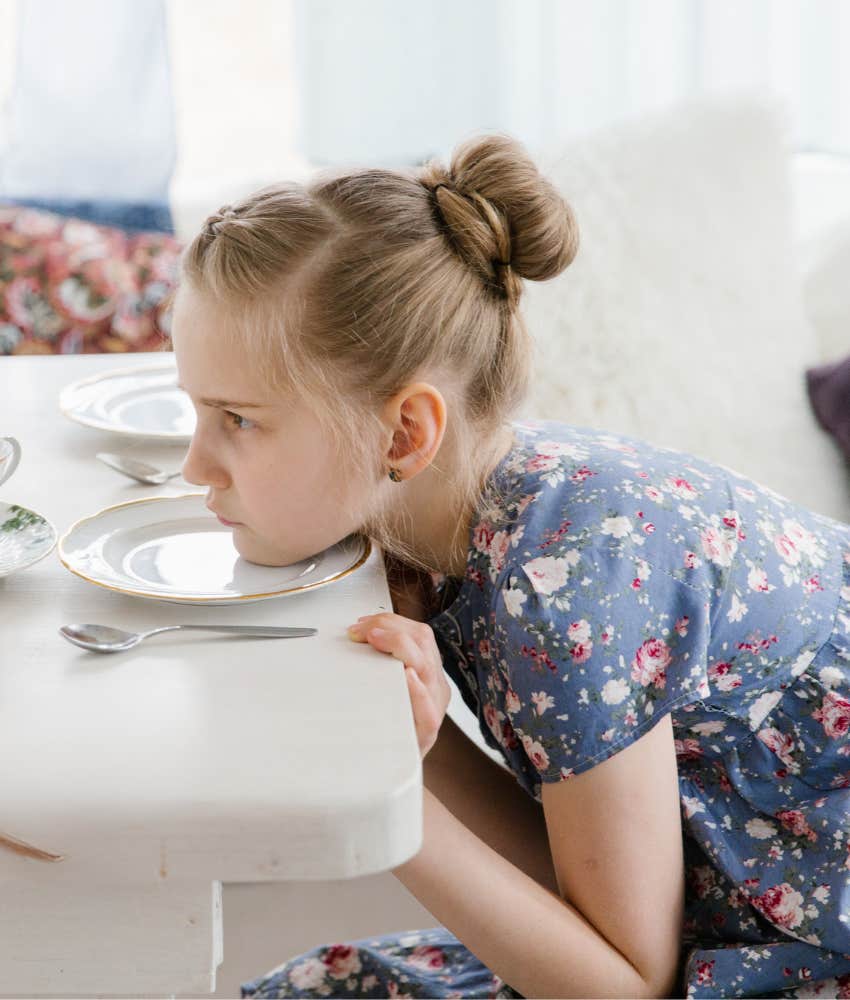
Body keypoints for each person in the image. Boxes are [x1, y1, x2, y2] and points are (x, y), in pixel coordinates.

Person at [169, 133, 850, 999]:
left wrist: (388, 792)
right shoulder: (458, 527)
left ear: (406, 433)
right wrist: (419, 740)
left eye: (238, 419)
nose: (195, 465)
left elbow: (623, 984)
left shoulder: (567, 586)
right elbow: (579, 878)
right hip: (716, 918)